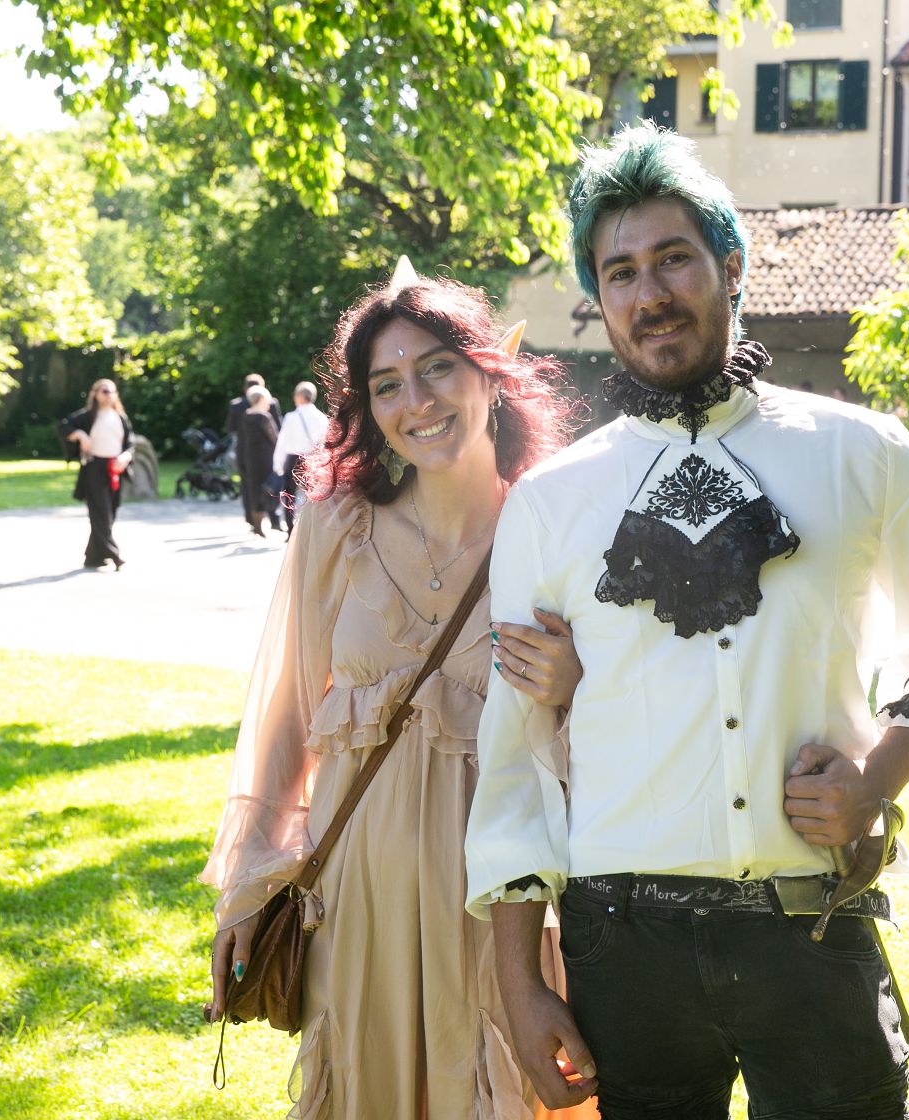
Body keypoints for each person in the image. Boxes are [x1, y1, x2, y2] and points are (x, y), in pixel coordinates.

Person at [465, 122, 909, 1119]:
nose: (650, 292)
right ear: (599, 300)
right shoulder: (549, 503)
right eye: (621, 272)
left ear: (730, 266)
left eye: (674, 258)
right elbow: (513, 756)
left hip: (814, 925)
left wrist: (874, 780)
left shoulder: (864, 452)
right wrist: (518, 980)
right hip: (622, 946)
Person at [200, 262, 596, 1119]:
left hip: (504, 912)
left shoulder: (559, 527)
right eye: (387, 384)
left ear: (490, 373)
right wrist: (250, 881)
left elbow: (625, 720)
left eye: (438, 367)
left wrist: (576, 684)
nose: (416, 401)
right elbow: (286, 715)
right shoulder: (335, 524)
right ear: (367, 408)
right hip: (358, 903)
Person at [58, 378, 133, 571]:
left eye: (111, 391)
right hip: (94, 468)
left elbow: (130, 444)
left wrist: (125, 457)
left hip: (115, 468)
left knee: (110, 512)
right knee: (100, 512)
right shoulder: (88, 416)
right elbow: (64, 427)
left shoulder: (120, 418)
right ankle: (115, 555)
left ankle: (93, 557)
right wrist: (80, 435)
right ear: (96, 394)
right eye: (104, 391)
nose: (108, 395)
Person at [272, 380, 330, 538]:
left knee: (289, 495)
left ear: (299, 396)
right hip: (314, 459)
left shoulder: (291, 417)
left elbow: (282, 442)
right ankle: (312, 529)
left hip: (293, 458)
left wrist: (278, 464)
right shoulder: (321, 417)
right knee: (314, 495)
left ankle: (291, 530)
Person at [237, 385, 283, 536]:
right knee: (270, 489)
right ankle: (274, 520)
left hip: (251, 458)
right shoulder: (264, 417)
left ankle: (257, 525)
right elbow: (275, 437)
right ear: (261, 399)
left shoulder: (246, 415)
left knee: (254, 489)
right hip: (266, 458)